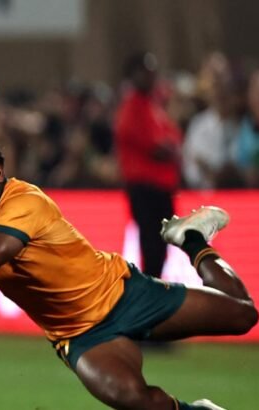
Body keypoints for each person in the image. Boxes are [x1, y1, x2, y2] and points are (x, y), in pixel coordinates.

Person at [0, 131, 258, 410]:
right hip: (79, 336)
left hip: (122, 293)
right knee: (133, 399)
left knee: (243, 314)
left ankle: (192, 240)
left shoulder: (25, 201)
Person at [114, 51, 182, 279]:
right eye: (145, 72)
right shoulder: (133, 107)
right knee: (152, 245)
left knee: (159, 245)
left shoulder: (152, 106)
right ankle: (152, 286)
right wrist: (170, 150)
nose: (151, 77)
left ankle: (155, 283)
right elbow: (156, 147)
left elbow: (172, 138)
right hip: (146, 189)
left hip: (160, 188)